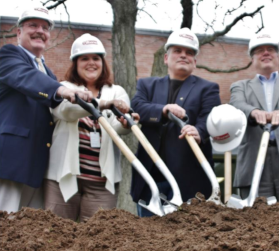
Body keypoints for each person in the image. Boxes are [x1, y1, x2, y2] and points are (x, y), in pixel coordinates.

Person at [0, 7, 92, 213]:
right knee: (5, 224)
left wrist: (99, 104)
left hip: (36, 165)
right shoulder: (8, 55)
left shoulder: (46, 71)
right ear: (18, 32)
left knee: (26, 231)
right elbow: (25, 78)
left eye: (45, 27)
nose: (40, 31)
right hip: (10, 161)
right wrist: (60, 88)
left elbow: (58, 108)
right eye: (33, 25)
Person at [43, 33, 139, 221]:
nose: (91, 63)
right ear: (75, 63)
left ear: (103, 63)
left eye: (96, 58)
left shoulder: (116, 91)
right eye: (84, 58)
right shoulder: (64, 87)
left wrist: (126, 124)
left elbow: (116, 128)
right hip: (63, 178)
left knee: (97, 239)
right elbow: (65, 112)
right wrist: (102, 104)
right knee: (55, 233)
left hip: (101, 182)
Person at [131, 28, 221, 217]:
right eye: (178, 51)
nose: (183, 55)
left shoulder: (208, 89)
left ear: (195, 62)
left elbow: (210, 117)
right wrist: (163, 110)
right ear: (166, 58)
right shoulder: (147, 85)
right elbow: (137, 106)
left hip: (190, 182)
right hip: (150, 179)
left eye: (189, 53)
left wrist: (199, 131)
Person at [229, 33, 279, 202]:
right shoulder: (240, 86)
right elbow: (236, 104)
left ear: (277, 57)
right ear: (252, 59)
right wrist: (253, 112)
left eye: (270, 50)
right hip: (253, 162)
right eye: (260, 50)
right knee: (256, 221)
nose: (266, 53)